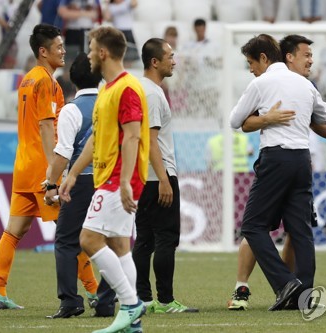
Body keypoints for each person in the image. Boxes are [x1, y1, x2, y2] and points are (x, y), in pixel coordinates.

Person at [227, 34, 326, 311]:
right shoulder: (305, 84)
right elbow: (325, 115)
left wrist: (263, 118)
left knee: (252, 226)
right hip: (302, 160)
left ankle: (285, 283)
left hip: (276, 158)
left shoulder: (261, 83)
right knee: (300, 229)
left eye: (251, 63)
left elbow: (235, 120)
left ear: (263, 58)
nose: (250, 69)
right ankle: (303, 294)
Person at [59, 26, 148, 332]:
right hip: (110, 175)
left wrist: (124, 181)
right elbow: (97, 137)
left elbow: (133, 136)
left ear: (103, 52)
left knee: (88, 239)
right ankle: (132, 321)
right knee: (119, 245)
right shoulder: (107, 90)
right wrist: (71, 174)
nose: (87, 54)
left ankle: (131, 304)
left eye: (91, 46)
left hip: (119, 177)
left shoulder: (127, 88)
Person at [0, 23, 65, 310]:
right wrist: (53, 170)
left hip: (22, 165)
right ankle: (94, 291)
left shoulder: (27, 79)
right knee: (69, 230)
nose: (63, 51)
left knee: (13, 231)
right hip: (41, 169)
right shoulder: (46, 81)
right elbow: (46, 126)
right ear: (43, 52)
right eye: (58, 47)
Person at [132, 38, 198, 314]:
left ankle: (144, 298)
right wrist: (163, 178)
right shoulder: (153, 94)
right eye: (170, 56)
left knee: (145, 238)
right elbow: (150, 139)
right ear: (154, 62)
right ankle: (166, 301)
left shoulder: (142, 89)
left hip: (143, 177)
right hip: (157, 176)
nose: (175, 60)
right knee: (165, 239)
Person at [44, 52, 102, 319]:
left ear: (71, 78)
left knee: (67, 242)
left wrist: (50, 184)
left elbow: (64, 152)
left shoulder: (71, 109)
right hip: (109, 179)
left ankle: (70, 301)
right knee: (112, 242)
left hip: (80, 181)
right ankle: (106, 301)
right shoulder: (109, 103)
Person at [102, 0, 139, 67]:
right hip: (117, 31)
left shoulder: (127, 2)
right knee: (117, 55)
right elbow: (107, 17)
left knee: (129, 56)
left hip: (128, 30)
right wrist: (107, 4)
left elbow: (135, 4)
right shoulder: (111, 5)